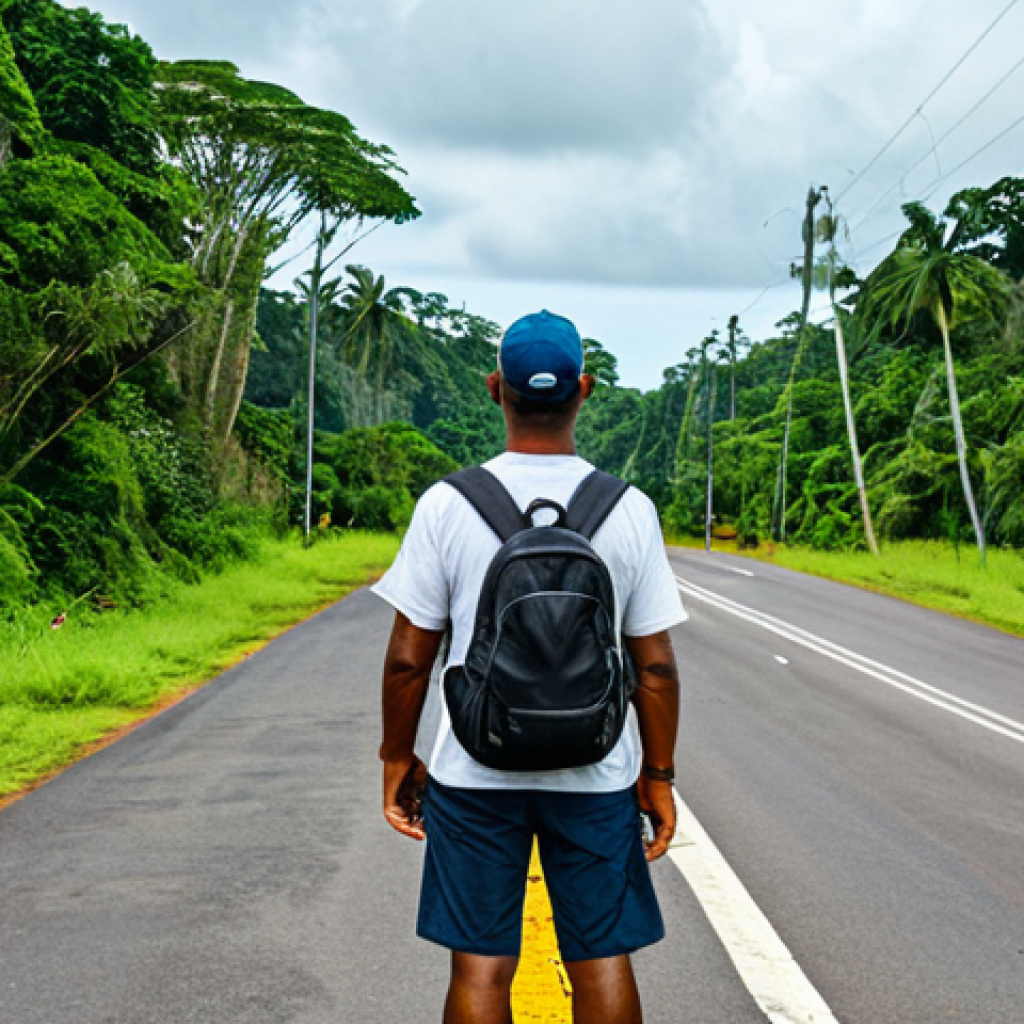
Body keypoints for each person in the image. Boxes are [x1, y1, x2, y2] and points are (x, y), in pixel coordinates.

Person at [373, 310, 686, 1024]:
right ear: (586, 389)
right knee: (601, 956)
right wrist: (658, 776)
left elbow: (407, 659)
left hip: (475, 771)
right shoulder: (630, 510)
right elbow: (657, 667)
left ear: (495, 389)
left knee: (481, 967)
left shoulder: (447, 506)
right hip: (597, 772)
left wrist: (398, 757)